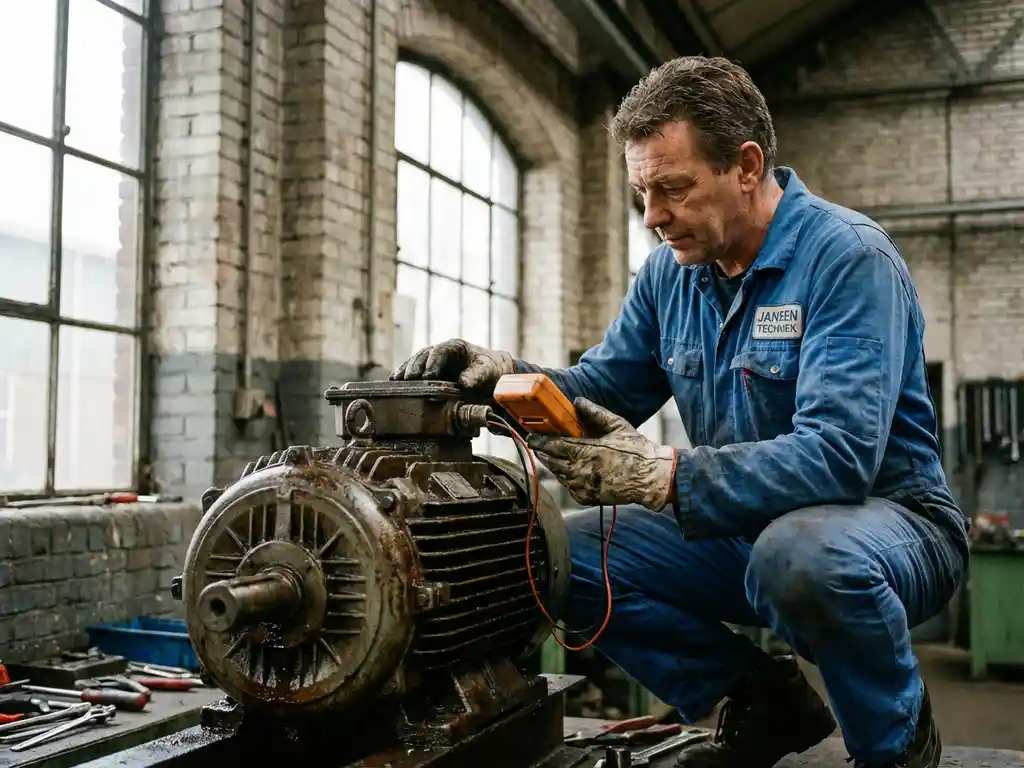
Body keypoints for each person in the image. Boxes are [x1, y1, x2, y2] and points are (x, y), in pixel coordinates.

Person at [390, 56, 969, 768]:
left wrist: (665, 476)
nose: (653, 216)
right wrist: (502, 378)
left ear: (747, 166)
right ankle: (761, 701)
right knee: (554, 553)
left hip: (890, 527)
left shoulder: (846, 260)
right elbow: (607, 387)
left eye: (672, 188)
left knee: (800, 557)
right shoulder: (672, 273)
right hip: (742, 533)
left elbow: (840, 455)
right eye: (642, 192)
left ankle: (897, 740)